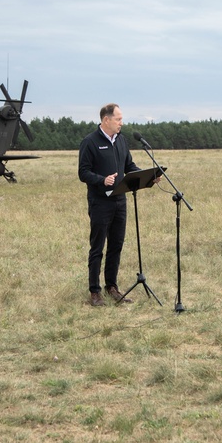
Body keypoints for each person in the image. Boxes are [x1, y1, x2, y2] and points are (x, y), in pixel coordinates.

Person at [78, 103, 141, 306]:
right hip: (100, 203)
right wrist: (102, 180)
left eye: (121, 119)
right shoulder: (90, 142)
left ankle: (111, 287)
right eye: (118, 119)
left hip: (120, 201)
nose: (121, 123)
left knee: (116, 245)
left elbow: (129, 165)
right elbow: (83, 172)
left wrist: (147, 175)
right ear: (106, 119)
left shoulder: (121, 141)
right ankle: (94, 292)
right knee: (97, 247)